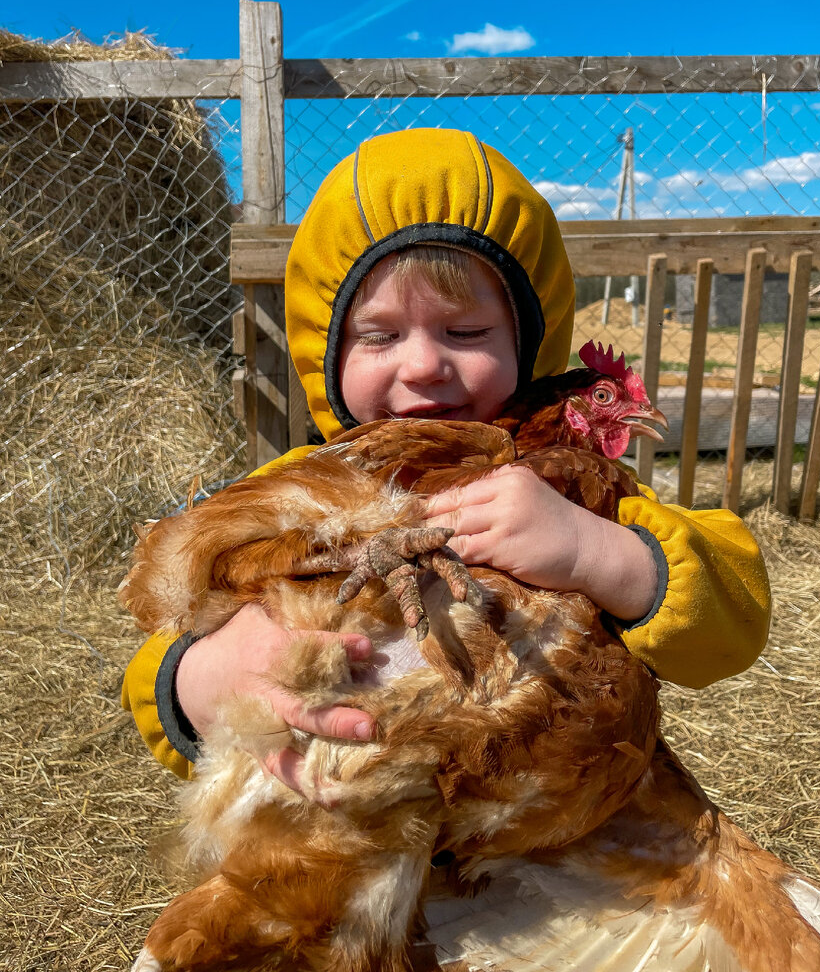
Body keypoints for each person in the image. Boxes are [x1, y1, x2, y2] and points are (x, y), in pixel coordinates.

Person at [122, 128, 770, 788]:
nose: (426, 365)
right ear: (326, 355)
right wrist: (204, 676)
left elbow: (734, 620)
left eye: (465, 332)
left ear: (530, 339)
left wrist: (595, 552)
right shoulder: (299, 490)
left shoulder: (570, 493)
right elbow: (162, 634)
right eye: (380, 336)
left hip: (549, 823)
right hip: (344, 818)